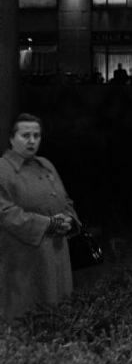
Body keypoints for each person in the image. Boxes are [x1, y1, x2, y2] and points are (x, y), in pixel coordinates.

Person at [0, 114, 80, 322]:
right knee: (27, 315)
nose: (32, 140)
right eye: (25, 135)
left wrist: (69, 220)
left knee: (59, 313)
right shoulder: (3, 169)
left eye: (36, 135)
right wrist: (46, 225)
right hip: (22, 258)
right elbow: (5, 212)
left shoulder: (46, 164)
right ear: (11, 138)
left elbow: (66, 200)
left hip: (56, 254)